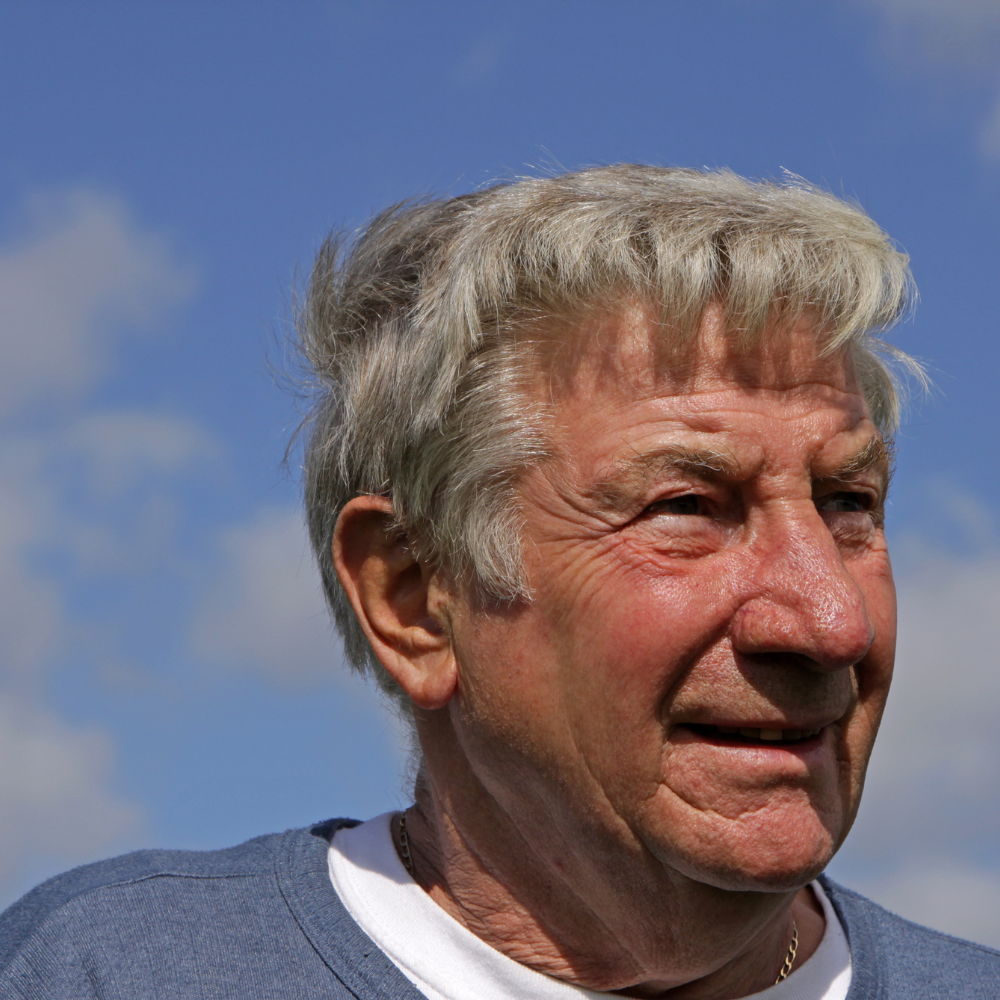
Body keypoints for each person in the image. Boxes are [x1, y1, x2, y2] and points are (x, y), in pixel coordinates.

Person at [2, 165, 998, 999]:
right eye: (688, 506)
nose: (830, 619)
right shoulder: (119, 972)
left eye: (847, 503)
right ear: (411, 597)